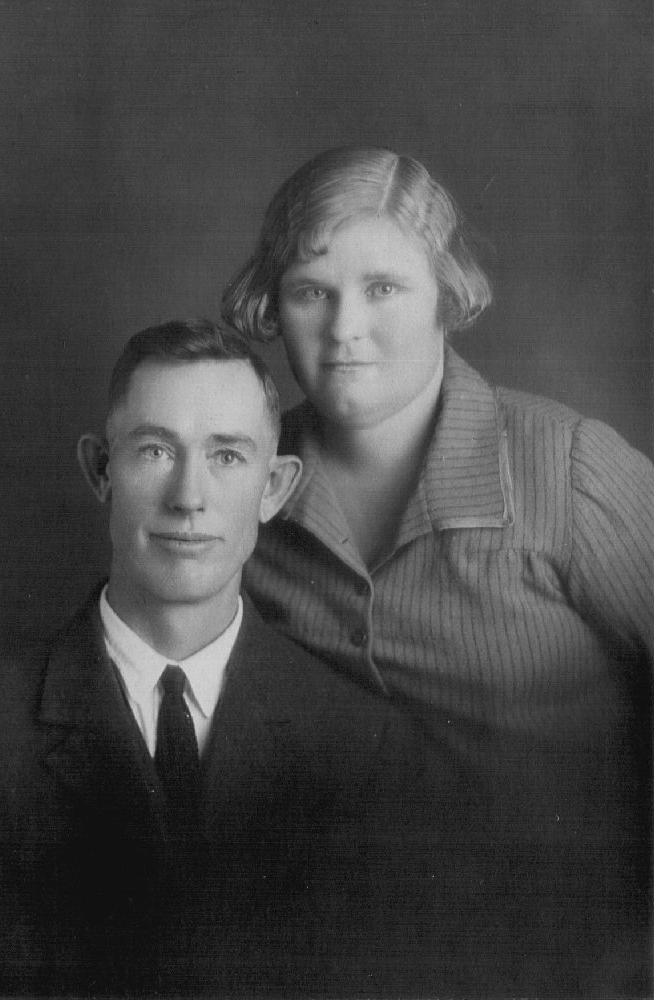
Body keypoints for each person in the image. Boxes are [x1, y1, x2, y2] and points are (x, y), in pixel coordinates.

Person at [222, 146, 654, 995]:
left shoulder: (569, 470)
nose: (345, 327)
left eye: (384, 288)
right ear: (273, 306)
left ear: (447, 300)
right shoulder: (240, 493)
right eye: (312, 291)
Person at [0, 319, 436, 997]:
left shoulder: (364, 747)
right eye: (157, 451)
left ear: (275, 488)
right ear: (102, 470)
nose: (189, 497)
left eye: (227, 456)